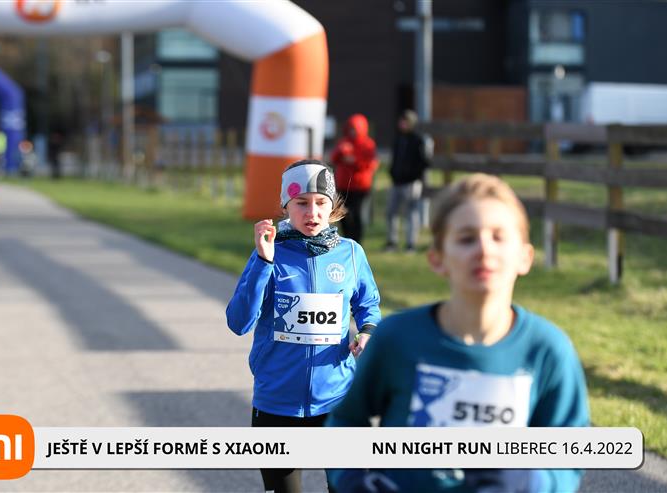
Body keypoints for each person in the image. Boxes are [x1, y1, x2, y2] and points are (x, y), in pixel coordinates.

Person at [327, 174, 590, 493]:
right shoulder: (397, 339)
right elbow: (345, 421)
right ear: (437, 259)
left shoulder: (547, 350)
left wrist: (534, 480)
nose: (484, 249)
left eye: (498, 237)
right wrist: (353, 480)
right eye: (466, 239)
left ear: (525, 257)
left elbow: (570, 454)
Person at [226, 159, 382, 493]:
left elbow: (368, 305)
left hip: (337, 401)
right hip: (277, 402)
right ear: (285, 205)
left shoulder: (351, 253)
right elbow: (239, 322)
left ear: (332, 205)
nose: (312, 212)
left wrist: (367, 331)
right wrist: (263, 261)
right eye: (301, 203)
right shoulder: (270, 253)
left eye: (321, 202)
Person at [385, 109, 430, 253]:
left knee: (411, 213)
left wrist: (413, 175)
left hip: (411, 183)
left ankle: (411, 244)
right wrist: (392, 172)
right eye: (401, 121)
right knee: (391, 212)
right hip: (396, 182)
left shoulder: (418, 140)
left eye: (405, 121)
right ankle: (392, 242)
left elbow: (424, 162)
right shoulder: (398, 139)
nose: (402, 124)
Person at [330, 114, 379, 244]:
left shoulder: (368, 144)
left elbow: (371, 164)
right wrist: (340, 152)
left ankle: (357, 241)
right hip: (343, 185)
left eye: (355, 129)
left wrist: (354, 161)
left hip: (360, 186)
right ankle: (347, 239)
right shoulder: (344, 142)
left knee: (357, 214)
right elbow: (333, 158)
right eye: (351, 129)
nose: (352, 132)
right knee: (342, 214)